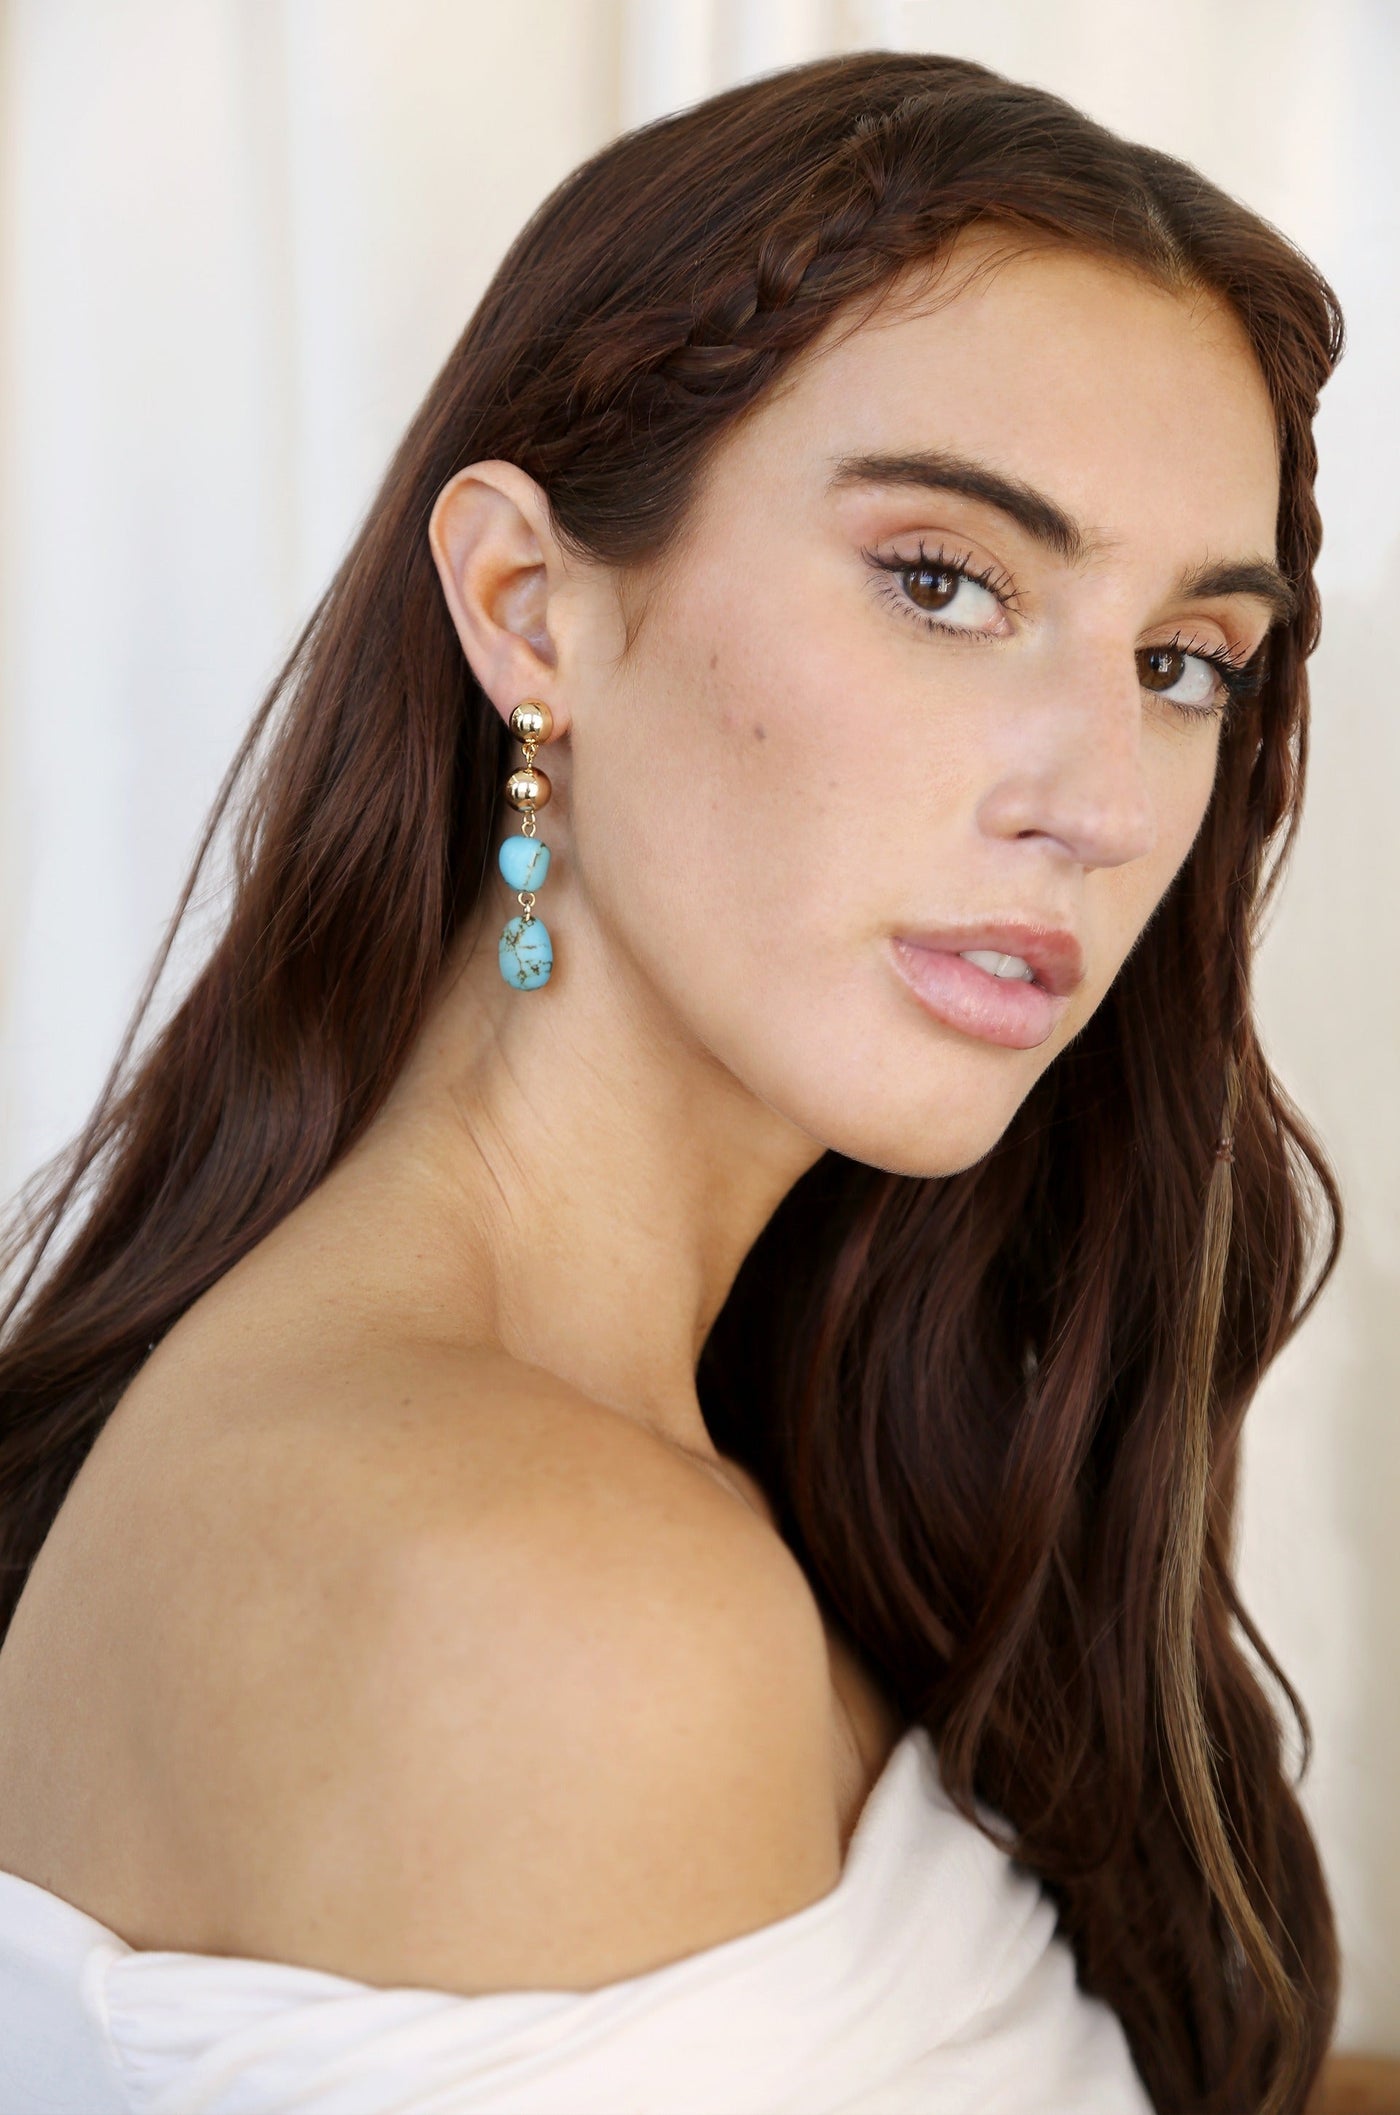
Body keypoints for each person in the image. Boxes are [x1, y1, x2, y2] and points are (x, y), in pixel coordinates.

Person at [0, 46, 1346, 2115]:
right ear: (530, 606)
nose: (1094, 801)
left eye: (1180, 659)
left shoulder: (611, 1419)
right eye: (944, 580)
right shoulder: (526, 1583)